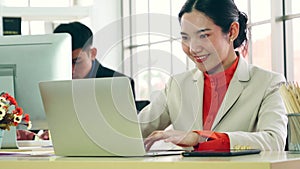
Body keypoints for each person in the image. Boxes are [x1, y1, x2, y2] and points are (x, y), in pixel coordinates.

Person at [138, 0, 288, 152]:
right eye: (185, 38)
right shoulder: (177, 85)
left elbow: (274, 141)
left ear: (232, 32)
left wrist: (200, 137)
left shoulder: (268, 83)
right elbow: (132, 131)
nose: (193, 48)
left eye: (203, 35)